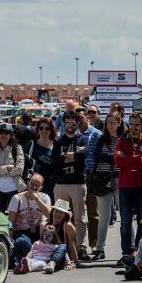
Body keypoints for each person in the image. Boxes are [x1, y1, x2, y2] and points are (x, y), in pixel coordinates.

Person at [115, 111, 142, 260]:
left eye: (137, 125)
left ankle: (140, 252)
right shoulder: (122, 140)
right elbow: (118, 162)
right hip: (125, 185)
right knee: (125, 222)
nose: (133, 128)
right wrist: (137, 159)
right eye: (131, 124)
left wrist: (128, 159)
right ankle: (126, 253)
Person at [53, 111, 90, 260]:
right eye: (67, 123)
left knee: (80, 218)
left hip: (77, 184)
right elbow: (55, 161)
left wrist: (68, 156)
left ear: (77, 124)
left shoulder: (82, 138)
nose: (70, 126)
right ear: (63, 124)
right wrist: (74, 156)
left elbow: (84, 156)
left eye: (72, 123)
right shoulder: (58, 141)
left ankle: (80, 247)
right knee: (59, 217)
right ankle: (60, 245)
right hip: (61, 184)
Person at [88, 111, 125, 260]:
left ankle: (129, 250)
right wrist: (114, 157)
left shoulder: (124, 139)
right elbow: (96, 156)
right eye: (108, 122)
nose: (110, 125)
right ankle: (100, 249)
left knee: (125, 215)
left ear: (119, 123)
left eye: (113, 122)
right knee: (104, 217)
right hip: (102, 179)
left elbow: (123, 160)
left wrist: (114, 158)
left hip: (119, 178)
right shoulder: (101, 138)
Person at [8, 174, 51, 265]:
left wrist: (36, 198)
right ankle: (31, 258)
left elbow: (50, 215)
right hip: (22, 231)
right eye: (32, 184)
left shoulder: (44, 197)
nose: (34, 187)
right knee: (21, 242)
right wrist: (10, 238)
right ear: (28, 183)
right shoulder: (17, 198)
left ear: (41, 187)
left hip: (38, 230)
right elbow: (10, 222)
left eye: (37, 185)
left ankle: (32, 258)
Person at [0, 122, 27, 213]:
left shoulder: (17, 148)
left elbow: (20, 169)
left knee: (17, 217)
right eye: (1, 132)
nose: (3, 135)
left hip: (15, 189)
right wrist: (6, 168)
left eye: (7, 132)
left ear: (11, 135)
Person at [77, 109, 101, 252]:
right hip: (78, 177)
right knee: (78, 213)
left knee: (93, 212)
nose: (79, 122)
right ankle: (80, 245)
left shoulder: (97, 134)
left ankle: (94, 243)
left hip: (92, 175)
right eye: (76, 120)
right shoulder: (75, 135)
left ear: (87, 118)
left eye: (81, 118)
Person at [42, 199, 78, 268]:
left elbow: (71, 244)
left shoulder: (67, 226)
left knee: (62, 246)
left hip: (62, 256)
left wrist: (74, 262)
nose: (58, 214)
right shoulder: (44, 225)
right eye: (56, 211)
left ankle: (52, 263)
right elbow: (42, 242)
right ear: (52, 212)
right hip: (46, 254)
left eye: (61, 213)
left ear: (65, 215)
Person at [31, 117, 56, 201]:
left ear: (51, 130)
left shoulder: (56, 144)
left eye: (47, 128)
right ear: (37, 129)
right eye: (41, 128)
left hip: (51, 184)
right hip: (34, 184)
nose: (44, 130)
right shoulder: (31, 144)